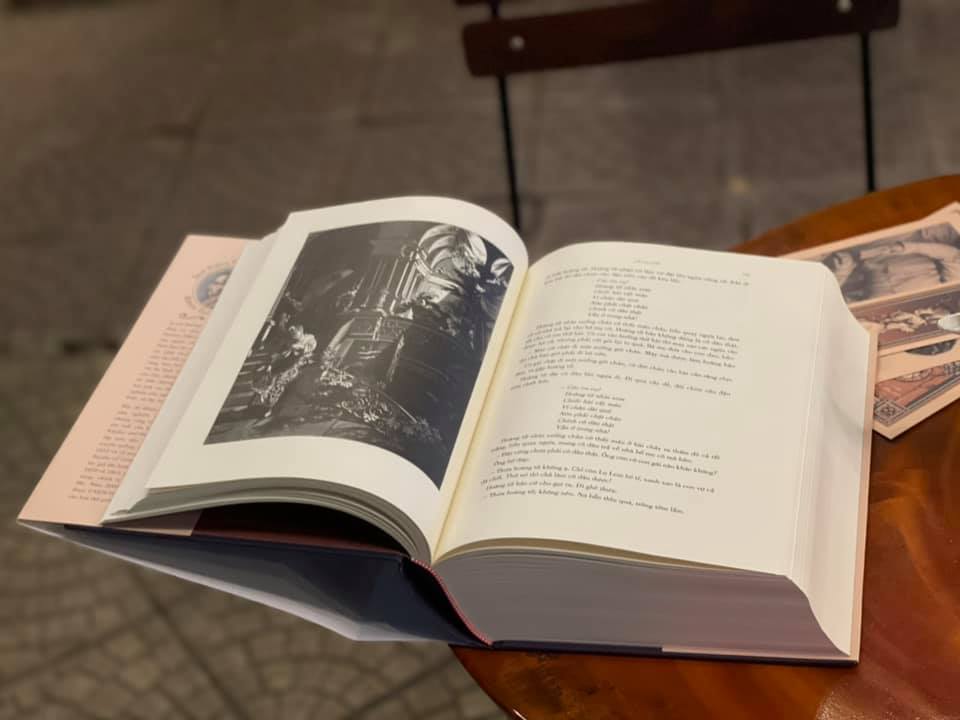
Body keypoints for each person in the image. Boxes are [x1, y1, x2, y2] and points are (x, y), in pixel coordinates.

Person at [252, 324, 317, 417]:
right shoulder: (289, 342)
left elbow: (308, 349)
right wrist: (271, 364)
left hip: (298, 367)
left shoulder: (309, 339)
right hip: (286, 365)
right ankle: (266, 405)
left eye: (295, 337)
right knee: (273, 382)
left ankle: (273, 407)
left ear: (301, 333)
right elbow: (280, 354)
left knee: (282, 386)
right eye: (292, 337)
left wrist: (298, 347)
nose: (294, 339)